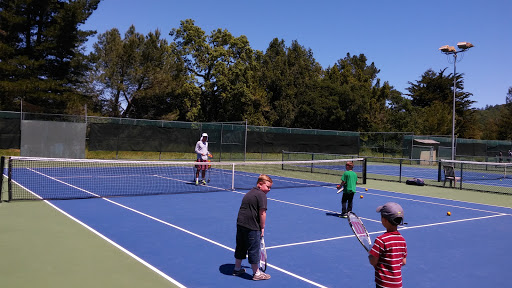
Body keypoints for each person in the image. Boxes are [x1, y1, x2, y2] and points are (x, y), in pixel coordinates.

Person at [233, 174, 272, 281]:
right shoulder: (261, 195)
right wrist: (262, 228)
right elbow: (262, 213)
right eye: (267, 187)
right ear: (260, 184)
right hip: (252, 226)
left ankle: (237, 268)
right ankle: (257, 273)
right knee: (254, 249)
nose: (269, 189)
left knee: (241, 246)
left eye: (270, 188)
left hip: (241, 224)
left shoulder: (250, 193)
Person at [369, 202, 407, 288]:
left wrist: (370, 256)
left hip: (383, 283)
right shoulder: (402, 240)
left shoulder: (381, 240)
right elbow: (403, 262)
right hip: (398, 284)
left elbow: (373, 261)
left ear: (384, 220)